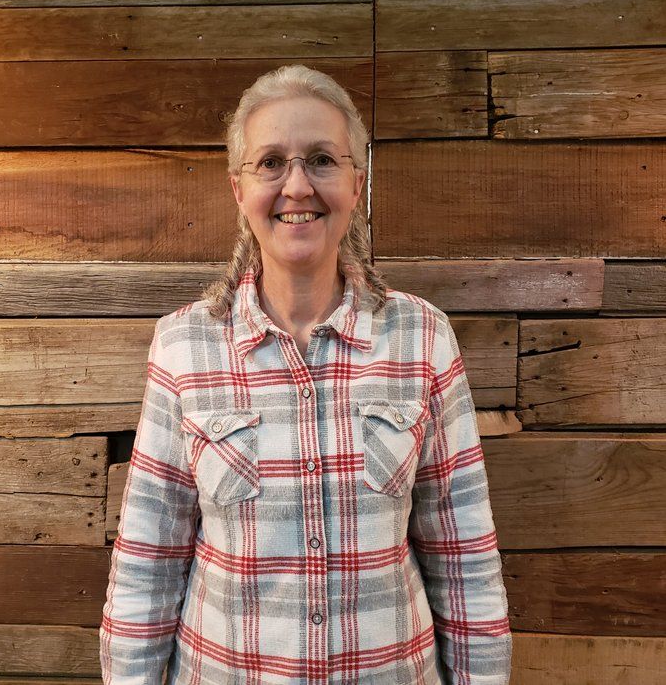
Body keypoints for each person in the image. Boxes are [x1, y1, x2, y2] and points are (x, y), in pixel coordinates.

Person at [99, 64, 512, 684]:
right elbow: (147, 568)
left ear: (357, 182)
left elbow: (465, 564)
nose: (297, 185)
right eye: (270, 162)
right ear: (238, 189)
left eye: (322, 159)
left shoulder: (421, 338)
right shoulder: (185, 346)